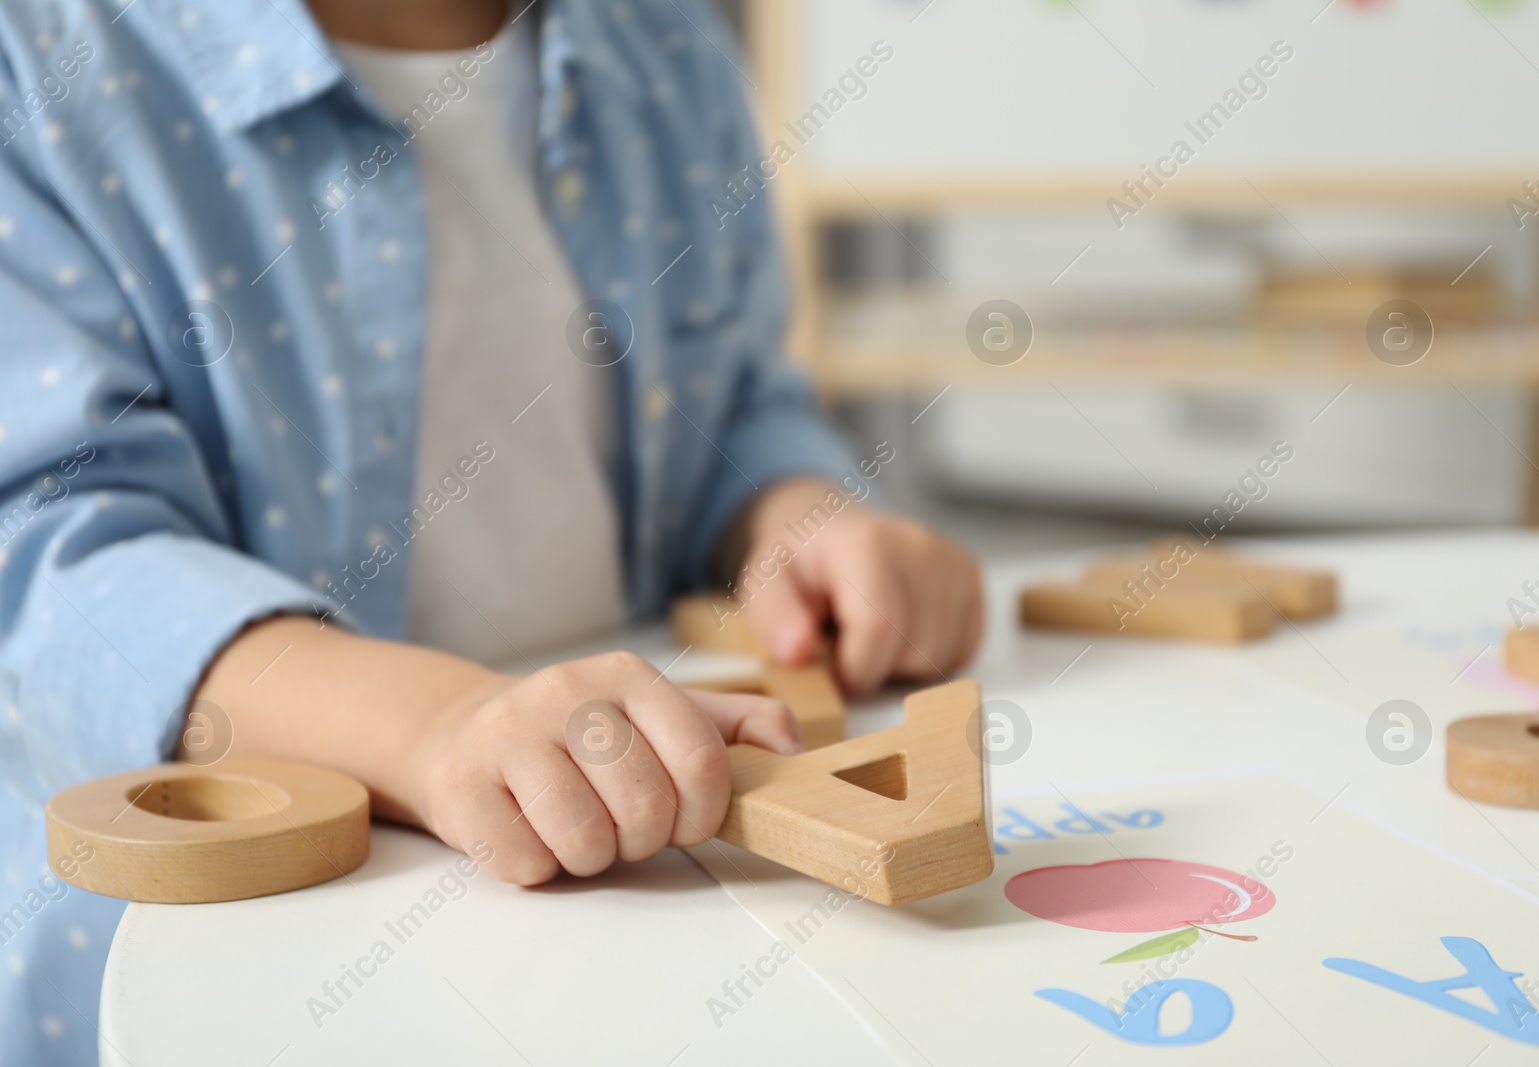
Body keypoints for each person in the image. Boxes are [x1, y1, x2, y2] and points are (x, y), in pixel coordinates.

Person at [0, 0, 983, 1062]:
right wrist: (440, 727)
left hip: (621, 904)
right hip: (223, 972)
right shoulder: (41, 62)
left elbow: (735, 396)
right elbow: (59, 570)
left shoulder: (664, 38)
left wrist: (794, 511)